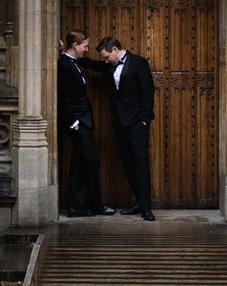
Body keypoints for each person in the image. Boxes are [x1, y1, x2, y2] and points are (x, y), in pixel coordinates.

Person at [55, 31, 114, 217]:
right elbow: (62, 98)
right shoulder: (64, 65)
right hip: (77, 123)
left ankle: (74, 207)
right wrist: (73, 123)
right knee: (92, 160)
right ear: (75, 45)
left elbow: (95, 66)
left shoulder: (73, 62)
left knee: (78, 162)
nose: (87, 49)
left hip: (83, 121)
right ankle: (96, 205)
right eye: (85, 46)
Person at [97, 35, 155, 221]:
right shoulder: (108, 66)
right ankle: (138, 201)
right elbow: (91, 64)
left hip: (137, 123)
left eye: (106, 56)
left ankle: (146, 207)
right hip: (119, 124)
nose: (105, 60)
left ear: (115, 49)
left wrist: (144, 120)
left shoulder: (139, 63)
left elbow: (148, 91)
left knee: (140, 163)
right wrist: (66, 55)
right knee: (127, 163)